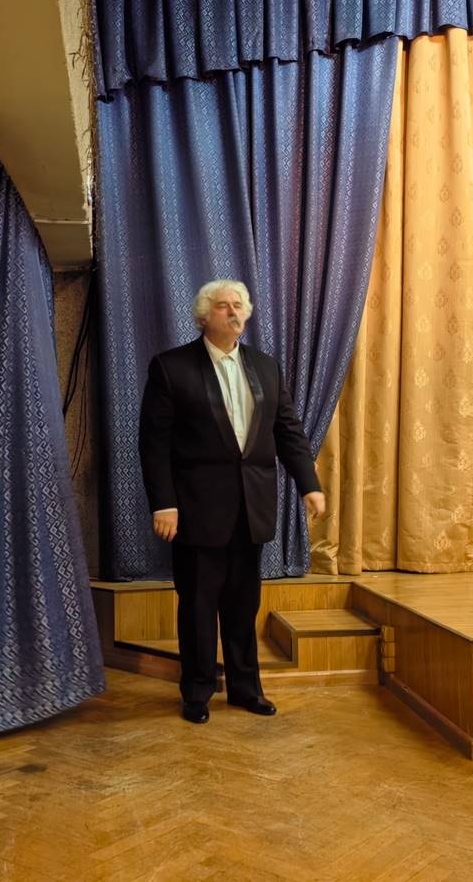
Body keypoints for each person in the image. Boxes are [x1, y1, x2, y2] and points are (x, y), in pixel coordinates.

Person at [138, 280, 326, 724]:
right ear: (204, 316)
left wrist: (309, 484)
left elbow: (288, 431)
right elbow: (154, 443)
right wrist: (164, 503)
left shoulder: (265, 366)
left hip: (251, 509)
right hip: (195, 510)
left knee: (243, 607)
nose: (234, 312)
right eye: (223, 306)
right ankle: (197, 692)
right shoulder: (172, 367)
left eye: (239, 305)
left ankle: (246, 689)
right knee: (198, 607)